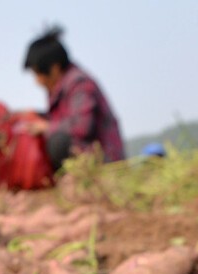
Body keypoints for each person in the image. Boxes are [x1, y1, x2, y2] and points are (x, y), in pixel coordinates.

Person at [22, 27, 124, 171]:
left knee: (57, 143)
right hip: (86, 153)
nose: (37, 82)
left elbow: (82, 126)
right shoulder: (59, 89)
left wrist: (46, 127)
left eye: (38, 74)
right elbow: (61, 120)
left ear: (54, 68)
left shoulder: (79, 84)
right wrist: (36, 116)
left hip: (105, 160)